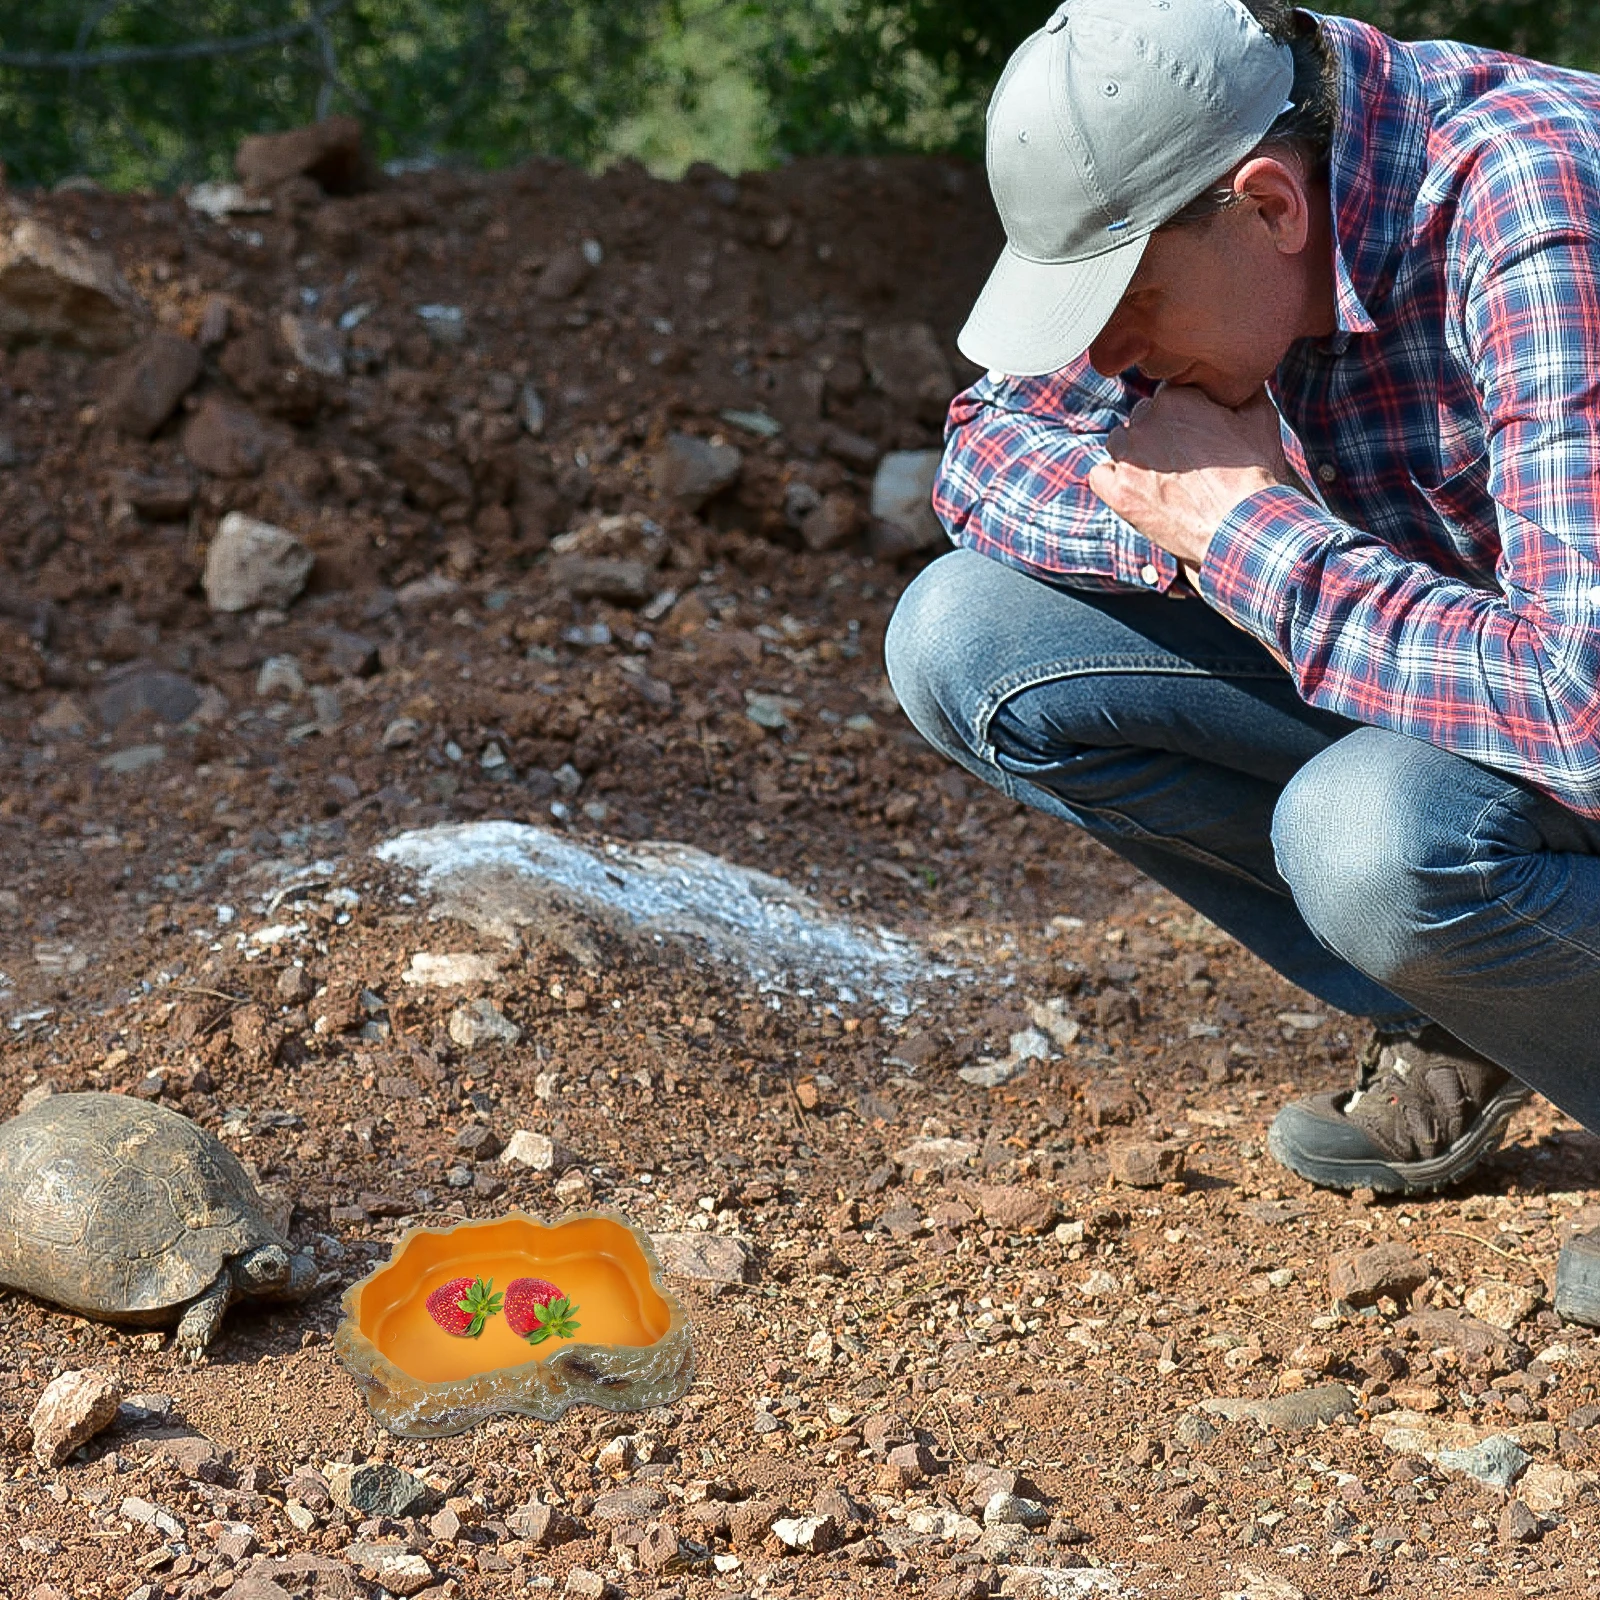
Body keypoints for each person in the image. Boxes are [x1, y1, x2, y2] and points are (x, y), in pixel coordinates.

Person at [883, 0, 1600, 1323]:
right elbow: (986, 446)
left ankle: (1510, 979)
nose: (1106, 358)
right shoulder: (1248, 213)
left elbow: (1582, 708)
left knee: (1369, 838)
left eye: (1128, 302)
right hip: (1480, 695)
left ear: (1269, 205)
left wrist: (1247, 535)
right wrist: (1177, 520)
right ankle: (1497, 1011)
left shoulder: (1534, 201)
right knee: (964, 638)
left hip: (1569, 709)